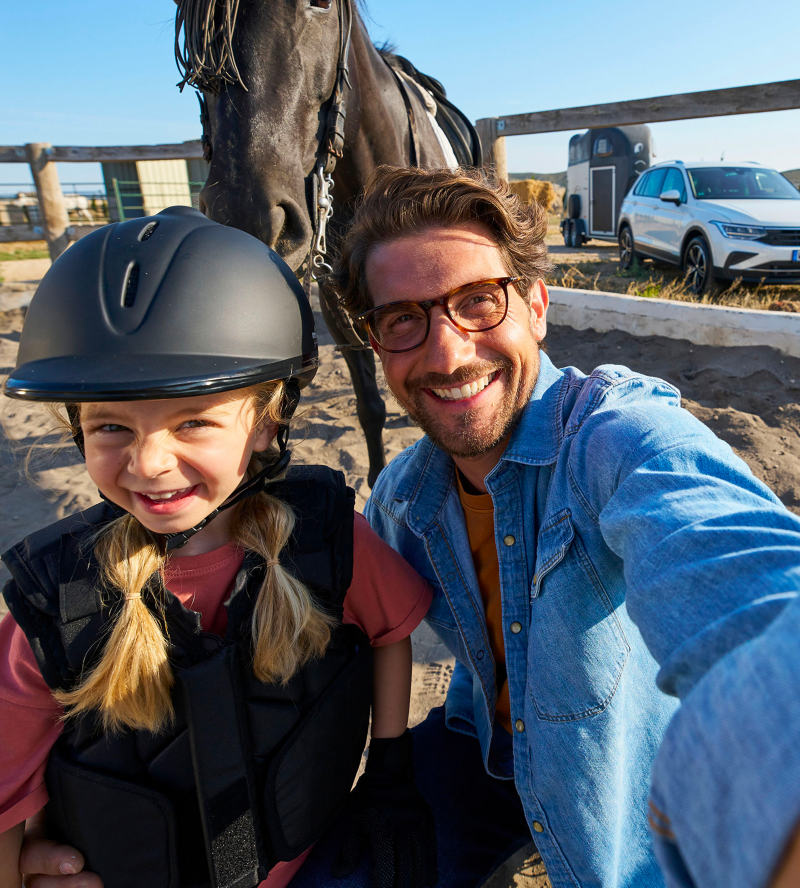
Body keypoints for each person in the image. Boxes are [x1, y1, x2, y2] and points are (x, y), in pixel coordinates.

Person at [286, 164, 800, 888]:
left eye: (478, 300)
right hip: (487, 752)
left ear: (536, 305)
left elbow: (751, 588)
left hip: (626, 805)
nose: (447, 351)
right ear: (377, 345)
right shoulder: (406, 499)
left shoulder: (615, 442)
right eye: (405, 317)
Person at [0, 207, 437, 888]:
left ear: (266, 422)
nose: (148, 463)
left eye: (193, 420)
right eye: (111, 426)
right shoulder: (57, 600)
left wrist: (390, 770)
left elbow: (390, 631)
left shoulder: (324, 541)